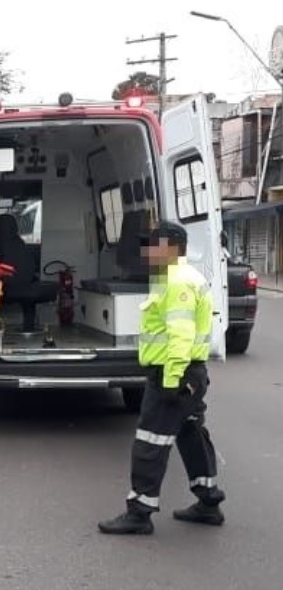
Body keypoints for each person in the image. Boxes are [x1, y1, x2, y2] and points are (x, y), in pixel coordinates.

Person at [98, 221, 226, 535]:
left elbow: (180, 336)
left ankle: (139, 513)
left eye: (153, 245)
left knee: (150, 441)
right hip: (189, 375)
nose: (148, 252)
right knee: (191, 434)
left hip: (174, 375)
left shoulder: (177, 281)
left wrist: (171, 382)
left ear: (169, 247)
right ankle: (208, 501)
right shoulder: (181, 277)